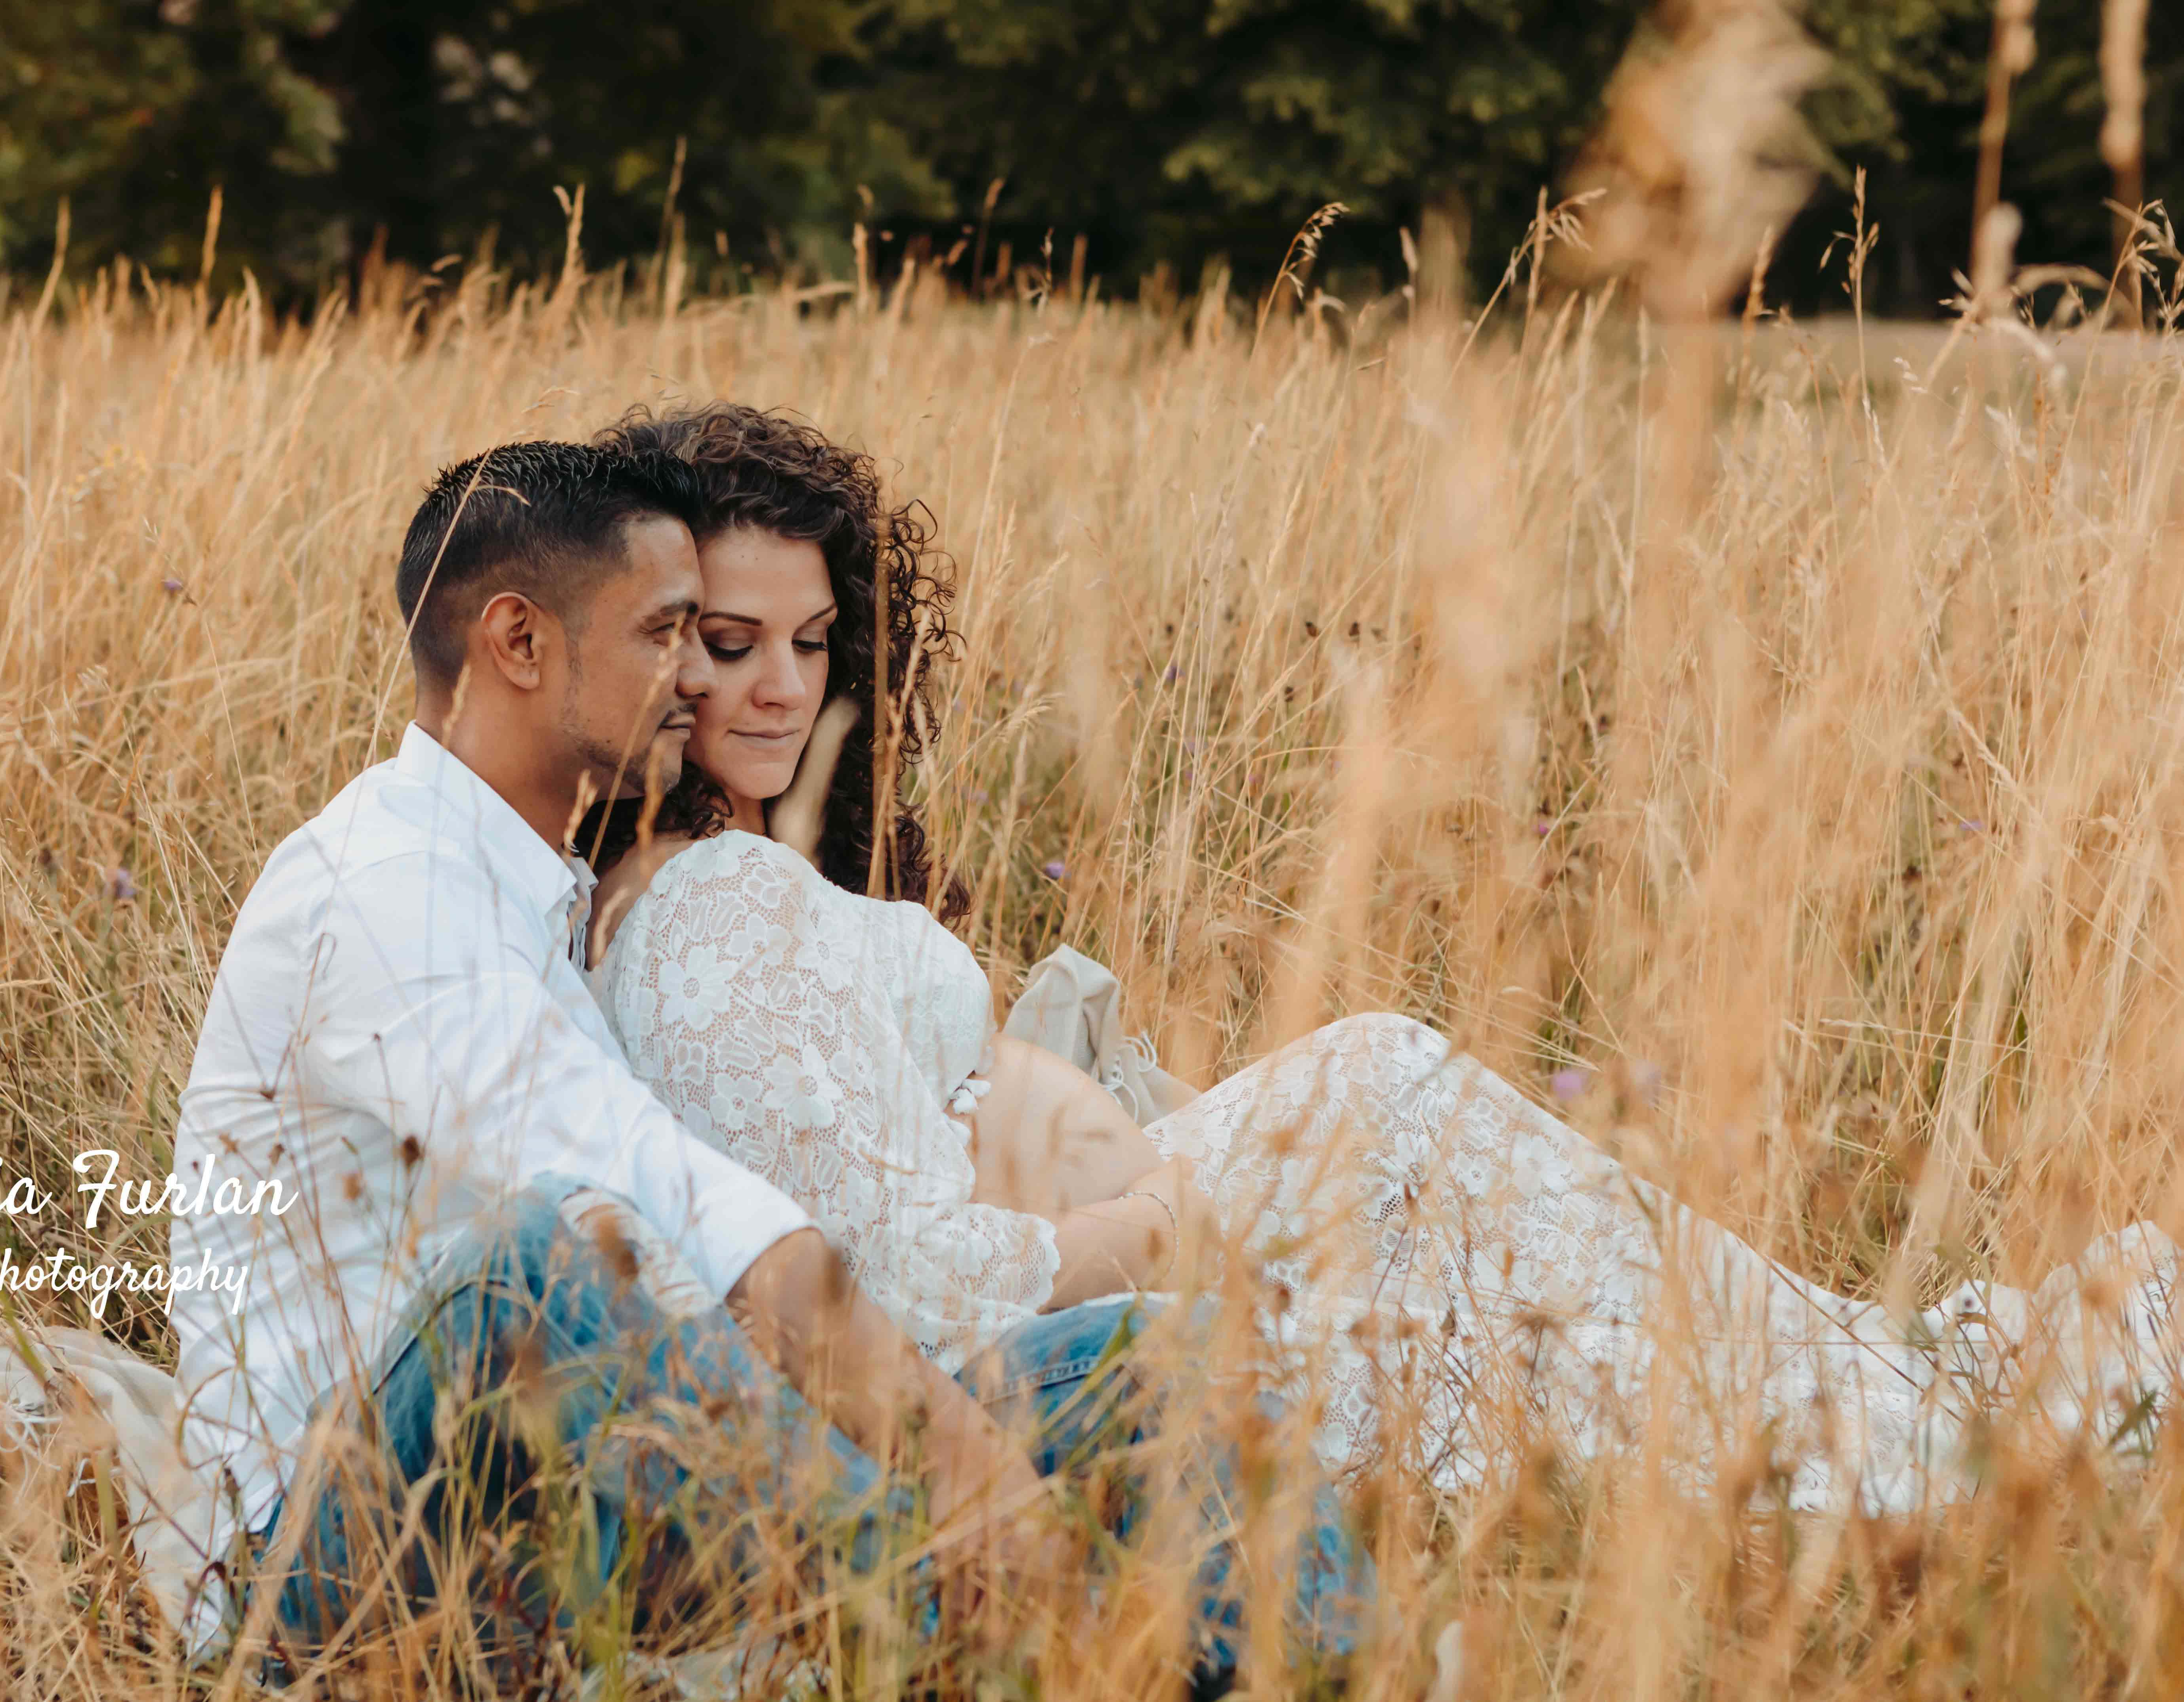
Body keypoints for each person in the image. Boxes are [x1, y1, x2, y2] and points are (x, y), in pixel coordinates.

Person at [583, 401, 2182, 1517]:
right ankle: (1941, 1401)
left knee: (1444, 1228)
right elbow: (887, 1286)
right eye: (730, 648)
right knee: (1382, 1107)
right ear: (643, 642)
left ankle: (1920, 1388)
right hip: (1005, 1351)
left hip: (1041, 1264)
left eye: (812, 644)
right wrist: (1142, 1223)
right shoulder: (710, 906)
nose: (783, 693)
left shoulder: (718, 874)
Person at [163, 439, 1373, 1689]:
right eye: (667, 633)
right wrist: (985, 1494)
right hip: (322, 1566)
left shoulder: (539, 876)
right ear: (519, 644)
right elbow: (670, 1206)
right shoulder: (389, 895)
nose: (697, 678)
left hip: (581, 1474)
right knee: (530, 1271)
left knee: (1159, 1357)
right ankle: (1014, 1619)